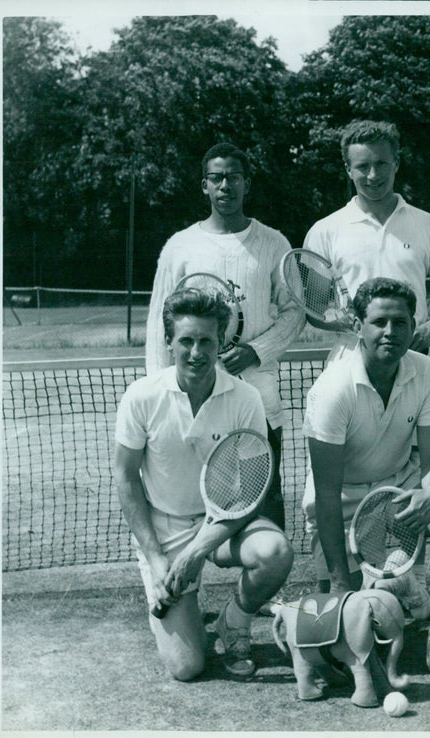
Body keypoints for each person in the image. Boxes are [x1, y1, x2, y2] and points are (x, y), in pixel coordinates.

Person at [301, 277, 430, 690]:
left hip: (400, 485)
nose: (390, 332)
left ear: (413, 325)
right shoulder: (331, 389)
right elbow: (326, 494)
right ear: (358, 325)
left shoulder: (427, 371)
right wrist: (343, 590)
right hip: (341, 502)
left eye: (400, 322)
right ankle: (394, 583)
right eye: (379, 322)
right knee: (353, 638)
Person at [116, 288, 294, 680]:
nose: (196, 352)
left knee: (276, 551)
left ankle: (234, 620)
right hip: (164, 528)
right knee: (187, 667)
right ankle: (185, 612)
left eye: (206, 341)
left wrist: (197, 552)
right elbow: (126, 478)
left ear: (221, 342)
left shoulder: (246, 398)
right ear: (168, 343)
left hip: (226, 521)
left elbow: (250, 491)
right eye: (186, 341)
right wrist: (158, 556)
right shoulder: (141, 397)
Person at [146, 142, 305, 532]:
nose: (225, 185)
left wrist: (256, 351)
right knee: (183, 500)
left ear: (246, 183)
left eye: (233, 177)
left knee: (264, 496)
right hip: (195, 400)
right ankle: (183, 580)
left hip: (258, 400)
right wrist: (160, 388)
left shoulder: (273, 243)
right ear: (204, 185)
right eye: (216, 178)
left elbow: (295, 311)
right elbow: (157, 323)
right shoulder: (179, 247)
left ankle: (267, 587)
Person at [303, 119, 430, 360]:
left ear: (396, 163)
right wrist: (347, 323)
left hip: (414, 358)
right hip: (350, 359)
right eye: (363, 166)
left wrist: (426, 329)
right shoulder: (323, 230)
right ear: (348, 169)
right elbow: (314, 310)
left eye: (381, 164)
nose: (373, 175)